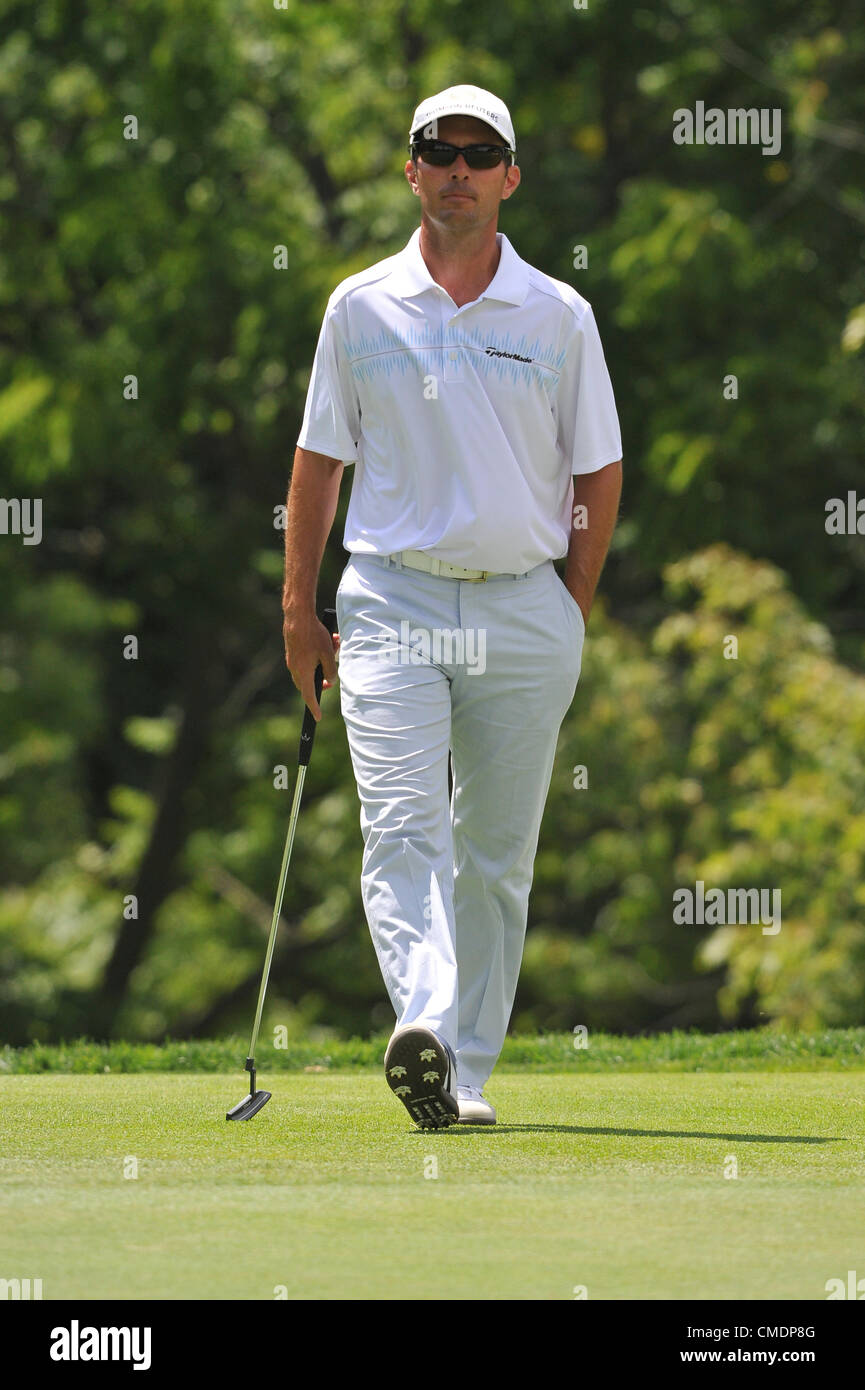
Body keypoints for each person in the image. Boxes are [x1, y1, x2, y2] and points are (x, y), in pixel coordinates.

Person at [283, 85, 622, 1129]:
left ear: (510, 176)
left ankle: (463, 1074)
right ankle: (422, 1021)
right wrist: (300, 610)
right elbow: (317, 467)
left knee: (494, 853)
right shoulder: (359, 305)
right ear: (412, 169)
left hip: (525, 606)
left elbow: (597, 470)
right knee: (400, 826)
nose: (460, 170)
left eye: (482, 155)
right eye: (441, 152)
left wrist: (566, 601)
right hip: (389, 596)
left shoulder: (559, 314)